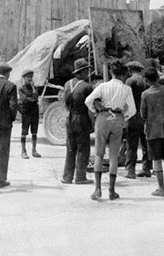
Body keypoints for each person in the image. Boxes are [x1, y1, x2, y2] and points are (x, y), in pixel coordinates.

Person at [85, 61, 136, 201]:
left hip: (102, 118)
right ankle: (112, 191)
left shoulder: (102, 86)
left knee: (99, 154)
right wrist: (123, 117)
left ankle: (97, 189)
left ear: (111, 72)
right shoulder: (126, 89)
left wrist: (96, 110)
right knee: (113, 155)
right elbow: (132, 109)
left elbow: (88, 100)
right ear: (123, 74)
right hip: (117, 119)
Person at [141, 66, 164, 198]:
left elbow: (143, 113)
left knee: (157, 159)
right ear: (158, 77)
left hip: (153, 128)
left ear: (146, 80)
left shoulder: (145, 94)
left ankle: (161, 188)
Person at [60, 58, 94, 185]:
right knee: (83, 148)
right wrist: (93, 123)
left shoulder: (67, 84)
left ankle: (67, 177)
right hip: (81, 118)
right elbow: (90, 108)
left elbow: (64, 103)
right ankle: (80, 177)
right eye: (86, 71)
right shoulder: (87, 87)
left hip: (69, 117)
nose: (88, 73)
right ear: (82, 72)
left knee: (70, 148)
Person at [124, 60, 152, 179]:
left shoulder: (130, 81)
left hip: (133, 116)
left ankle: (131, 170)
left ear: (130, 70)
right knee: (146, 145)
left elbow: (126, 98)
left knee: (132, 144)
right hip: (145, 117)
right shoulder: (146, 81)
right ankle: (146, 169)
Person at [18, 69, 41, 159]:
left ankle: (34, 150)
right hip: (26, 112)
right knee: (24, 131)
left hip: (34, 111)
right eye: (28, 77)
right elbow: (23, 99)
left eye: (31, 77)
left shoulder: (34, 87)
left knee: (34, 132)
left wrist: (33, 88)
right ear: (24, 78)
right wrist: (31, 99)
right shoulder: (21, 88)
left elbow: (36, 96)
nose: (30, 79)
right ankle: (23, 151)